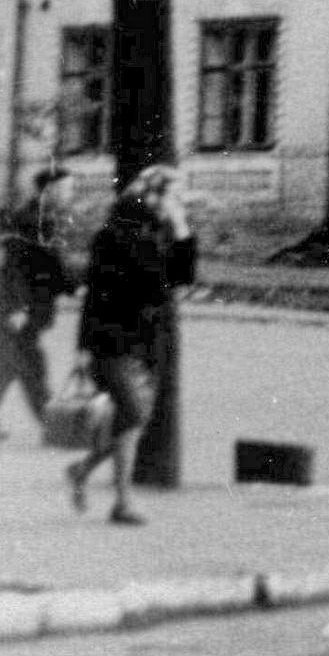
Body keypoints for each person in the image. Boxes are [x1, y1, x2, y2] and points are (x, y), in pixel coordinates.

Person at [67, 164, 197, 526]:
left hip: (144, 341)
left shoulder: (154, 230)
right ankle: (115, 495)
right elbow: (102, 293)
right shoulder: (116, 234)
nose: (178, 203)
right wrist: (81, 349)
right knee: (135, 414)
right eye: (173, 196)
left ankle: (90, 477)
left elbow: (182, 279)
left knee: (131, 420)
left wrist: (181, 228)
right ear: (152, 194)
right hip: (112, 341)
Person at [0, 165, 77, 442]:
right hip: (21, 310)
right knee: (31, 369)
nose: (70, 193)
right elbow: (16, 267)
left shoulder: (37, 217)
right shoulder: (33, 220)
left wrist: (73, 284)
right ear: (49, 190)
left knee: (4, 368)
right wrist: (18, 308)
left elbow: (47, 266)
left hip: (20, 309)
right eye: (67, 188)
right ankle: (53, 429)